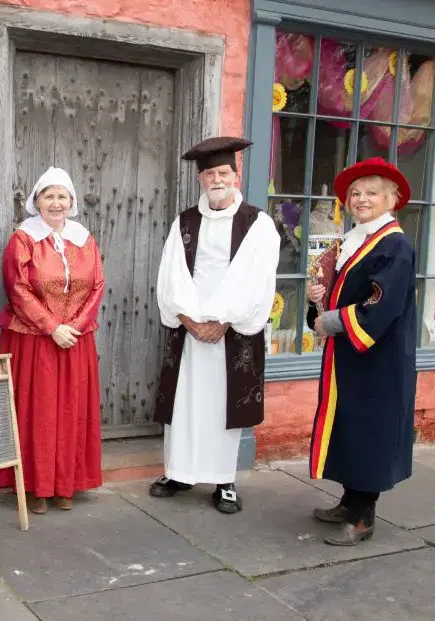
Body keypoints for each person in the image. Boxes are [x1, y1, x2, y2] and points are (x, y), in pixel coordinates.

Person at [150, 137, 280, 513]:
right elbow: (171, 275)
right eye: (210, 174)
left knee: (224, 407)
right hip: (190, 331)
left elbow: (256, 280)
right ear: (201, 179)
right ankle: (178, 472)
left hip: (232, 332)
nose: (217, 180)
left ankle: (224, 481)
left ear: (236, 176)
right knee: (184, 405)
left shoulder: (257, 224)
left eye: (224, 172)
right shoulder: (185, 222)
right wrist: (190, 321)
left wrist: (222, 320)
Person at [306, 157, 416, 546]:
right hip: (351, 357)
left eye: (371, 192)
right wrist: (318, 298)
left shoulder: (394, 245)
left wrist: (331, 320)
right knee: (350, 428)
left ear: (391, 199)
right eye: (355, 192)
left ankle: (363, 518)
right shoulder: (357, 240)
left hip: (378, 360)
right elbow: (344, 292)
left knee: (370, 432)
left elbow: (380, 304)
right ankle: (349, 502)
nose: (361, 199)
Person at [0, 167, 105, 513]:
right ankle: (36, 486)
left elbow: (97, 285)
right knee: (37, 411)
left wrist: (75, 326)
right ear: (37, 201)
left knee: (71, 410)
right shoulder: (24, 239)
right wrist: (51, 327)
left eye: (62, 196)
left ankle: (64, 483)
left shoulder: (84, 239)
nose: (56, 203)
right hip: (35, 339)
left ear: (71, 202)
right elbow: (17, 288)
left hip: (75, 340)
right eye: (49, 196)